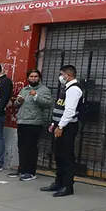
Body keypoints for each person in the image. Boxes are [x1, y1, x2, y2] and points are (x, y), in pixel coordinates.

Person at [41, 65, 83, 197]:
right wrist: (55, 123)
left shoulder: (74, 89)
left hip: (67, 127)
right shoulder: (67, 88)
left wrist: (61, 126)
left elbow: (70, 111)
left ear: (68, 75)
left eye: (62, 74)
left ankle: (67, 185)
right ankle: (58, 182)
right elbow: (60, 107)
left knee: (66, 156)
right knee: (58, 155)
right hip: (60, 125)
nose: (60, 77)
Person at [8, 69, 53, 181]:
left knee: (31, 148)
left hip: (34, 122)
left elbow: (48, 104)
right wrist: (19, 101)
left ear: (39, 78)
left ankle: (30, 172)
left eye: (35, 76)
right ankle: (22, 169)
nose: (33, 78)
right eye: (31, 76)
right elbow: (16, 104)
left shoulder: (44, 90)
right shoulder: (24, 89)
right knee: (21, 147)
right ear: (28, 78)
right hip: (22, 121)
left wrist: (36, 96)